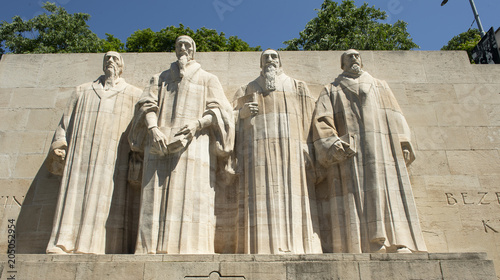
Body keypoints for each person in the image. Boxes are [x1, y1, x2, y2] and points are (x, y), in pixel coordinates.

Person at [313, 49, 427, 253]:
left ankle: (399, 241)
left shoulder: (380, 85)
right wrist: (333, 143)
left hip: (384, 147)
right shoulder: (331, 89)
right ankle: (368, 244)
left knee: (390, 190)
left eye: (356, 55)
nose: (354, 58)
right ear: (342, 64)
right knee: (356, 194)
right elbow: (322, 120)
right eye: (349, 56)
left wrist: (403, 141)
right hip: (352, 151)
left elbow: (395, 113)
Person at [129, 35, 234, 254]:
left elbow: (220, 111)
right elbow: (146, 105)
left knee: (192, 195)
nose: (183, 48)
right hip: (158, 141)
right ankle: (149, 248)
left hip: (195, 143)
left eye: (187, 45)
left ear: (194, 50)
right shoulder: (159, 78)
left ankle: (191, 248)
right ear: (175, 50)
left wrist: (197, 125)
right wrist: (152, 129)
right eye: (179, 45)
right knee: (153, 197)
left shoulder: (207, 78)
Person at [46, 51, 143, 254]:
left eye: (115, 59)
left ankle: (101, 247)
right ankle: (63, 243)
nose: (111, 61)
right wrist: (60, 143)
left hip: (114, 156)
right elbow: (65, 123)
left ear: (121, 65)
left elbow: (139, 128)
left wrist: (138, 152)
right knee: (73, 195)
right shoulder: (81, 91)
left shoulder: (133, 93)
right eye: (107, 58)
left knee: (107, 199)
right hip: (80, 154)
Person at [232, 49, 322, 254]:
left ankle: (298, 246)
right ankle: (258, 247)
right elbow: (229, 116)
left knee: (295, 194)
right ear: (260, 63)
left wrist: (307, 146)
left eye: (274, 57)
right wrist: (241, 114)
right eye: (266, 57)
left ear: (280, 61)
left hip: (291, 150)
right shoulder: (247, 88)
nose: (270, 60)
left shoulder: (297, 86)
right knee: (258, 194)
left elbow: (309, 118)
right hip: (257, 151)